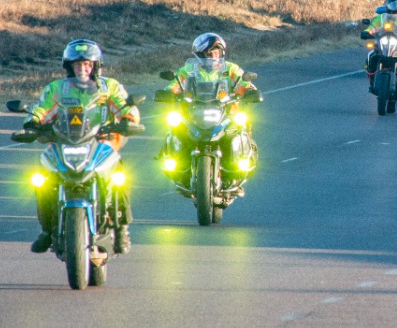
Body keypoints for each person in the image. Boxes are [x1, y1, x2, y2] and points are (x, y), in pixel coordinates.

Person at [23, 39, 141, 255]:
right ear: (69, 67)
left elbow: (124, 105)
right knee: (41, 180)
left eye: (87, 64)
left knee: (121, 176)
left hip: (101, 142)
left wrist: (129, 118)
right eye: (77, 65)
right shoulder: (56, 88)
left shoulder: (109, 86)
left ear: (95, 65)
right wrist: (33, 122)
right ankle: (47, 230)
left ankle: (122, 228)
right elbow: (43, 108)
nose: (82, 68)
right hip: (63, 142)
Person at [161, 32, 262, 193]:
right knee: (174, 126)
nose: (214, 56)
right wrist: (167, 92)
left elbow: (244, 83)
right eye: (210, 53)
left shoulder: (230, 68)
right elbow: (175, 84)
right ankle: (179, 165)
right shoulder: (188, 69)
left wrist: (250, 91)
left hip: (225, 113)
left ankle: (240, 161)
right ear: (199, 55)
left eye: (217, 52)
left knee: (241, 123)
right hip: (193, 113)